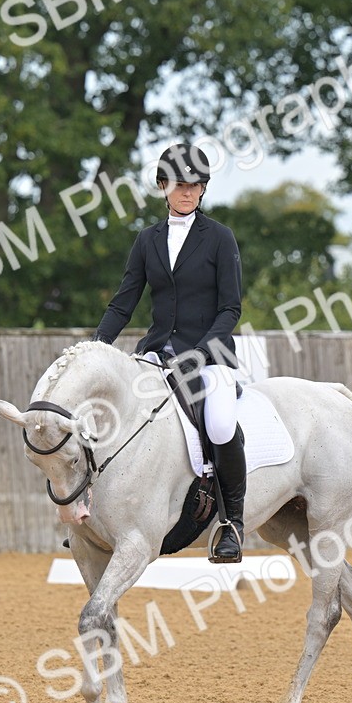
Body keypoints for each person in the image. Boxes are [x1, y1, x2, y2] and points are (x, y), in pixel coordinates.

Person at [92, 143, 247, 563]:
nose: (189, 193)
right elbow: (124, 302)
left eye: (197, 186)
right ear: (163, 186)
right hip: (158, 354)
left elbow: (231, 307)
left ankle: (232, 523)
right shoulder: (148, 240)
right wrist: (96, 346)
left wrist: (200, 351)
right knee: (115, 417)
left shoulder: (219, 238)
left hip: (210, 355)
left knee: (217, 424)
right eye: (181, 185)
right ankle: (97, 519)